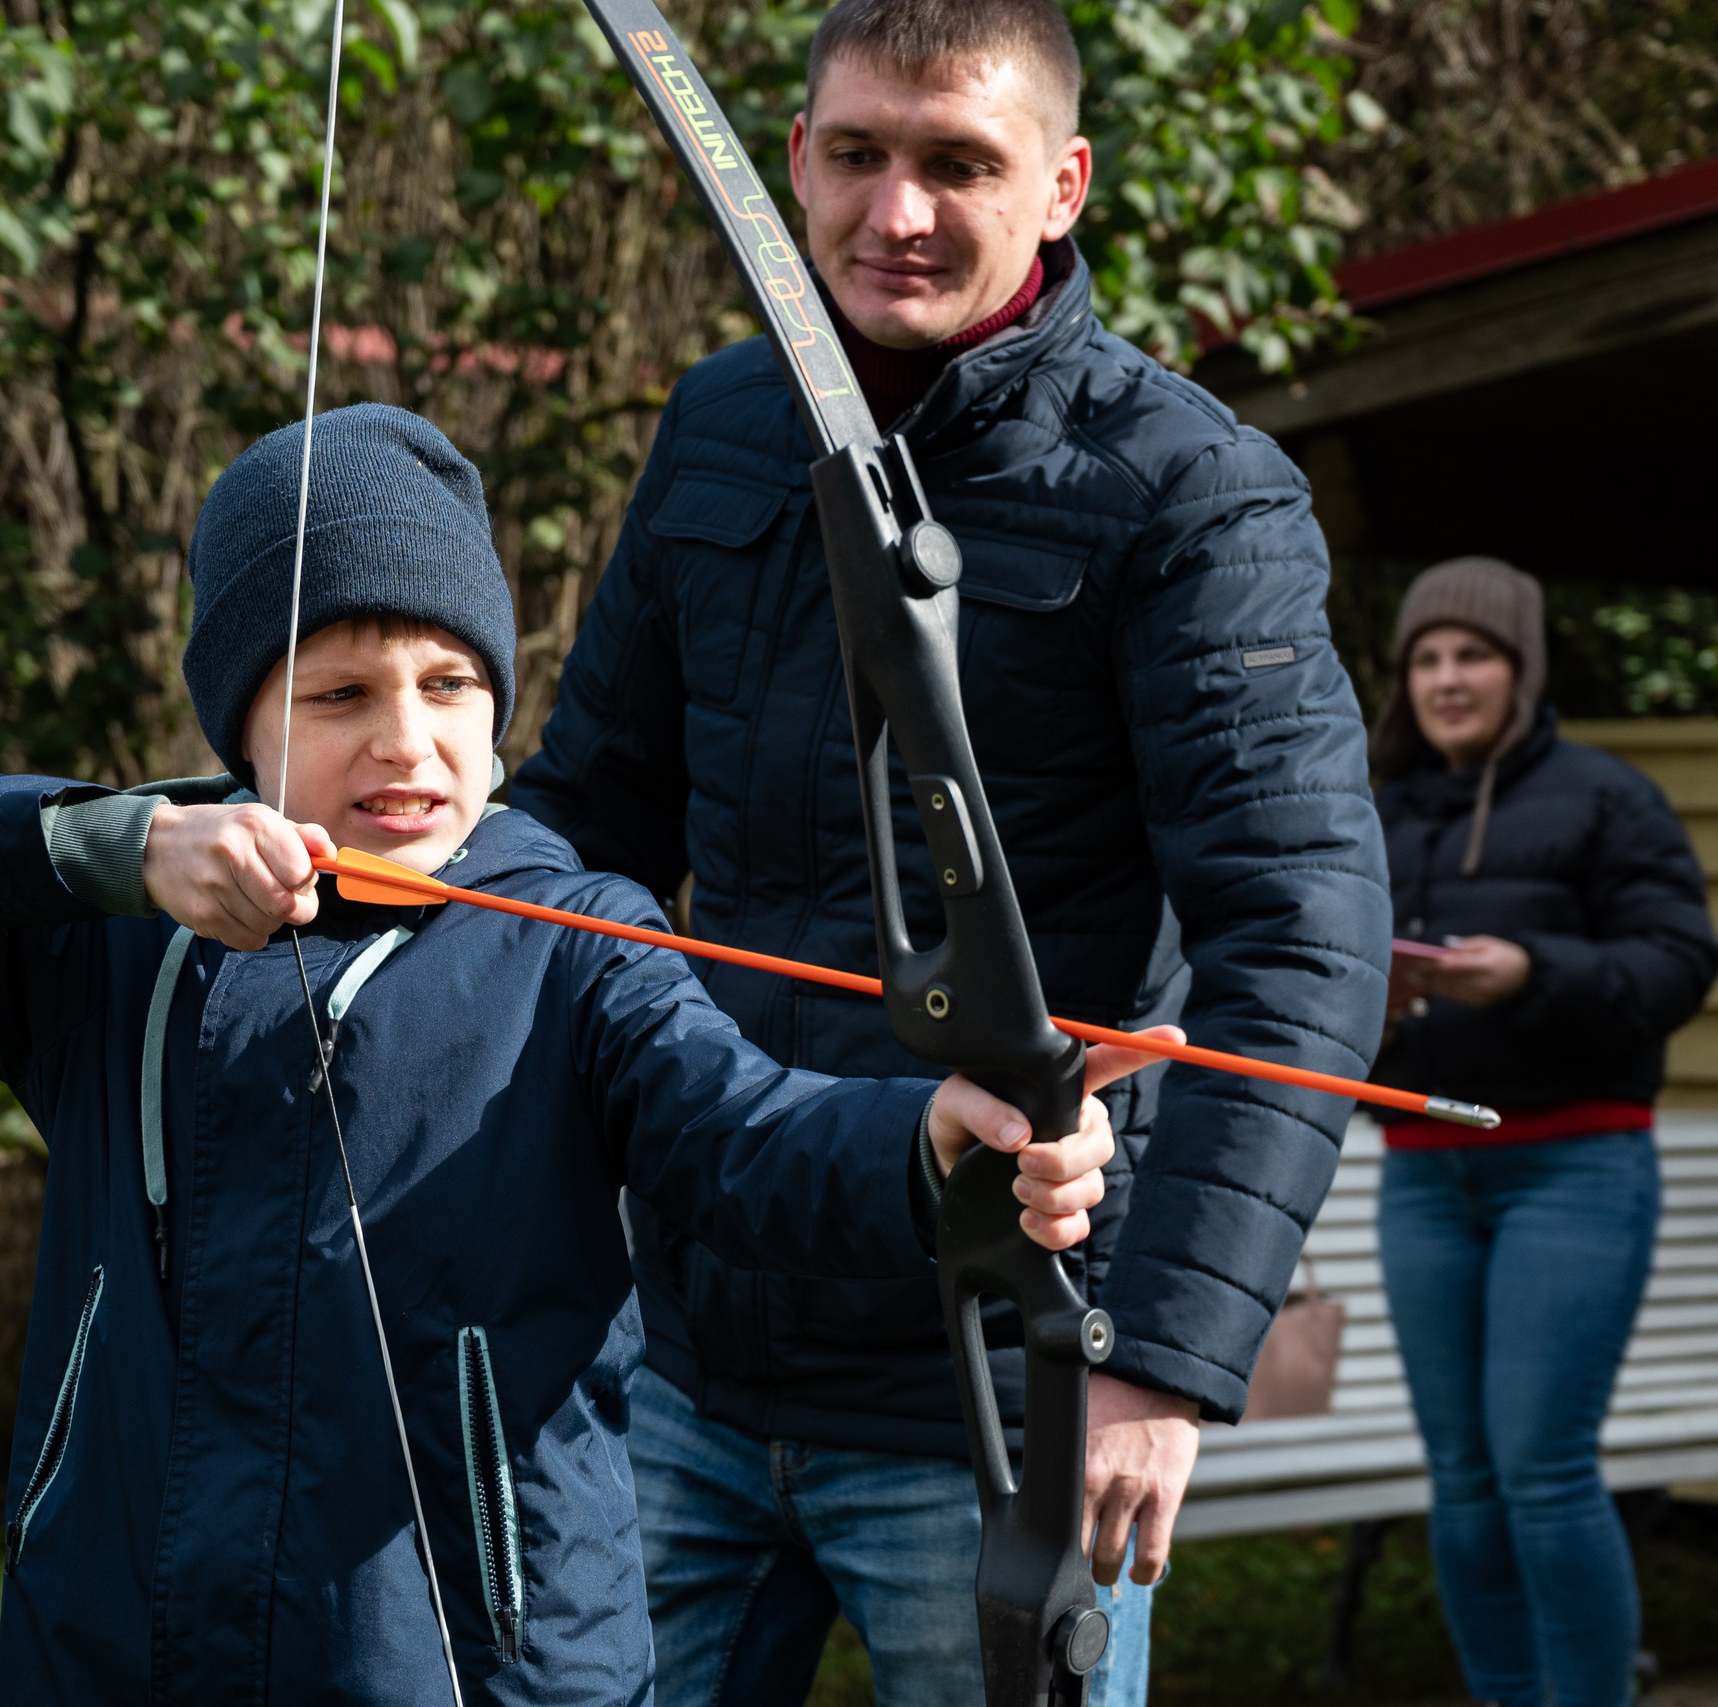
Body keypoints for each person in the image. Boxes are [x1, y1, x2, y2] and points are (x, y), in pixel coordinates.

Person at [0, 405, 1165, 1704]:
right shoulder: (119, 937)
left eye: (449, 684)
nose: (406, 741)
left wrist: (937, 1138)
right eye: (338, 693)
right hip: (119, 1644)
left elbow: (743, 1137)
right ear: (240, 720)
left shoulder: (574, 933)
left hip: (470, 1663)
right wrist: (119, 843)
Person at [512, 1, 1391, 1699]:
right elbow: (584, 820)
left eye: (956, 165)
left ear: (1060, 185)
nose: (895, 212)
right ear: (789, 167)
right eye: (856, 155)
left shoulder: (1192, 493)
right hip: (687, 1352)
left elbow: (1300, 942)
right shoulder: (719, 424)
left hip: (994, 1389)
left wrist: (1171, 1358)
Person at [1370, 557, 1718, 1707]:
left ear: (1520, 671)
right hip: (1422, 1174)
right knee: (1462, 1481)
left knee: (1540, 1468)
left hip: (1573, 1166)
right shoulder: (1371, 806)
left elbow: (1676, 966)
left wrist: (1530, 973)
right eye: (1425, 658)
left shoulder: (1607, 796)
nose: (1446, 678)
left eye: (1472, 654)